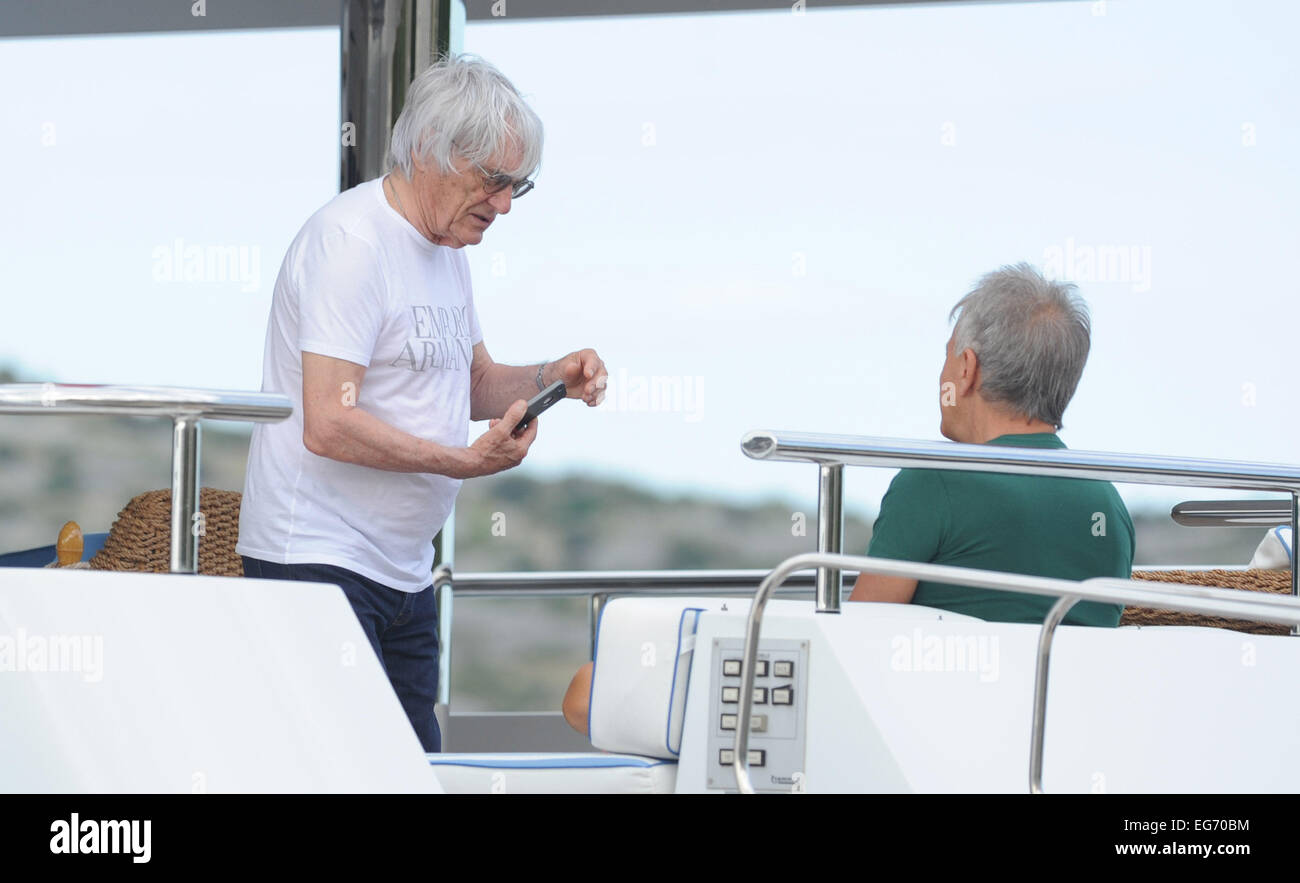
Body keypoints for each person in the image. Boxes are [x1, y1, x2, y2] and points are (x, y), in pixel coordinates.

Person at [237, 55, 608, 753]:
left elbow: (471, 385)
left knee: (414, 769)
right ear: (434, 152)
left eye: (515, 188)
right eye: (495, 182)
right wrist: (463, 463)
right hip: (319, 562)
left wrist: (549, 374)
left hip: (403, 572)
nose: (502, 206)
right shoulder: (351, 244)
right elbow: (328, 421)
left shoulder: (446, 251)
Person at [849, 263, 1133, 624]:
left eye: (948, 355)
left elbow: (859, 634)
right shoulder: (1107, 502)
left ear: (967, 368)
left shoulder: (933, 482)